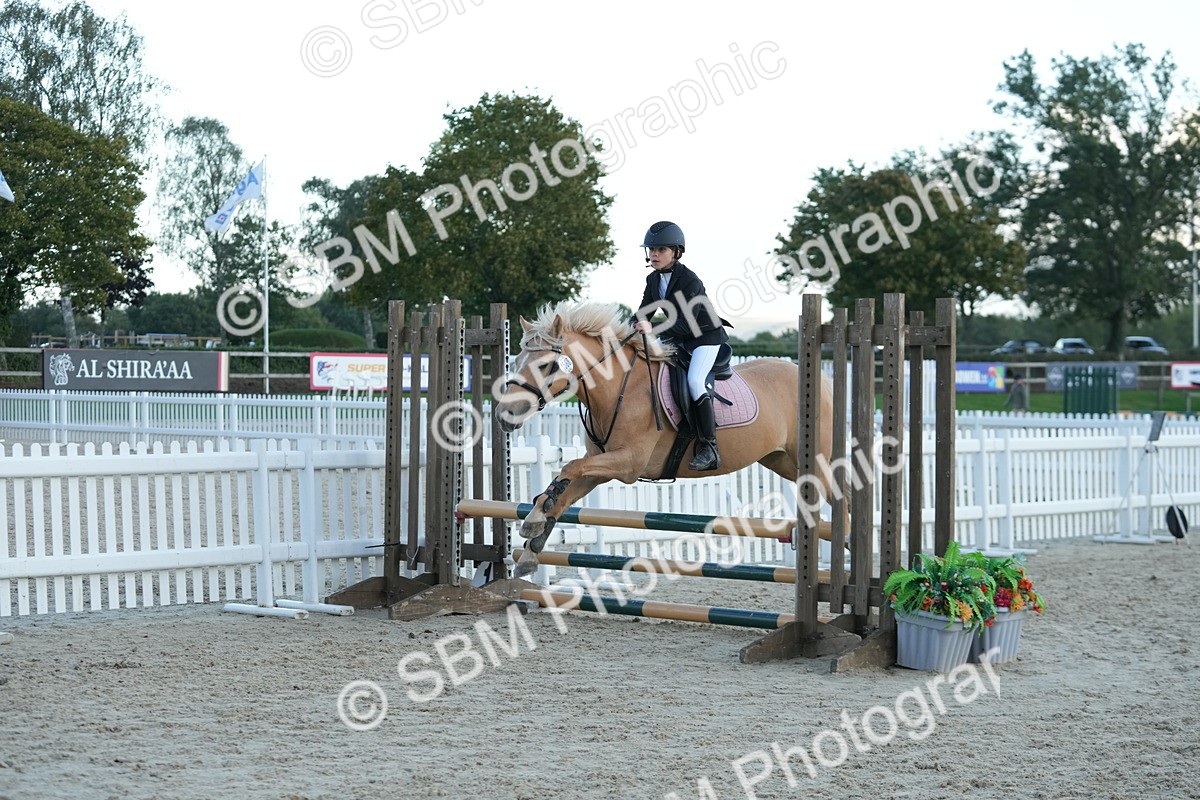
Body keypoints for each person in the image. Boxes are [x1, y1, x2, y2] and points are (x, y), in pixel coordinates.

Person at [631, 221, 731, 471]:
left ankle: (710, 447)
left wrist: (651, 329)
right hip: (679, 338)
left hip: (705, 337)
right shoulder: (653, 280)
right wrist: (628, 328)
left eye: (661, 249)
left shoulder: (689, 280)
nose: (654, 254)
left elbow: (687, 323)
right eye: (651, 250)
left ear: (676, 252)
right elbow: (645, 312)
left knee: (696, 381)